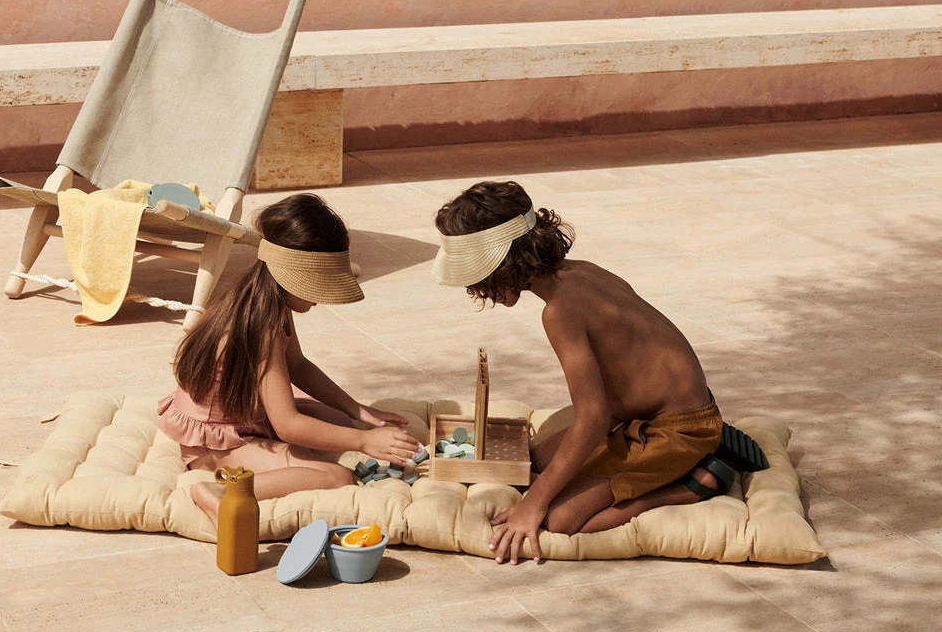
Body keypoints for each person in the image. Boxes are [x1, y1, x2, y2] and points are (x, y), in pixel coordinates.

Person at [433, 180, 729, 565]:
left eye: (477, 277)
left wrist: (532, 504)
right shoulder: (583, 271)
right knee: (537, 458)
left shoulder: (559, 312)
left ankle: (692, 486)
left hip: (680, 431)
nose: (475, 289)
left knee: (560, 519)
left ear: (503, 264)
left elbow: (593, 418)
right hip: (645, 417)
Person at [158, 192, 421, 518]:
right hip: (217, 444)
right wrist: (363, 442)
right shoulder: (261, 329)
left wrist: (357, 409)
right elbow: (288, 426)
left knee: (340, 421)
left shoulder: (267, 298)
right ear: (295, 275)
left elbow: (297, 365)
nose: (320, 298)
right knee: (338, 478)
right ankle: (221, 493)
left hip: (245, 415)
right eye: (318, 284)